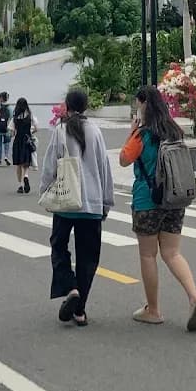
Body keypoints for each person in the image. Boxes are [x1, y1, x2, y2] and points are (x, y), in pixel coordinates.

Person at [120, 85, 196, 332]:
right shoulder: (174, 131)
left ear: (143, 103)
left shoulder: (142, 135)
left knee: (148, 255)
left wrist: (131, 132)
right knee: (172, 253)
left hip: (147, 201)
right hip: (174, 200)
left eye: (137, 104)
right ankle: (194, 296)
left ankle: (153, 310)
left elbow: (124, 159)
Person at [40, 88, 114, 327]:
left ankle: (70, 287)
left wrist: (45, 192)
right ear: (86, 106)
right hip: (91, 202)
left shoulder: (60, 131)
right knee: (88, 256)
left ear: (67, 106)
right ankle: (80, 310)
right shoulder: (95, 131)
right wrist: (106, 201)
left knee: (59, 246)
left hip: (66, 201)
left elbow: (50, 164)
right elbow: (104, 167)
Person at [11, 97, 36, 194]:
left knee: (18, 164)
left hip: (17, 141)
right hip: (27, 140)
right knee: (26, 162)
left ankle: (20, 185)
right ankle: (26, 176)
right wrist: (30, 132)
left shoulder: (15, 117)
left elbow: (12, 132)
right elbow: (36, 127)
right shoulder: (30, 115)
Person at [0, 91, 12, 167]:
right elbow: (11, 118)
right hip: (7, 129)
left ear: (0, 98)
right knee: (7, 143)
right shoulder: (9, 108)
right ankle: (6, 156)